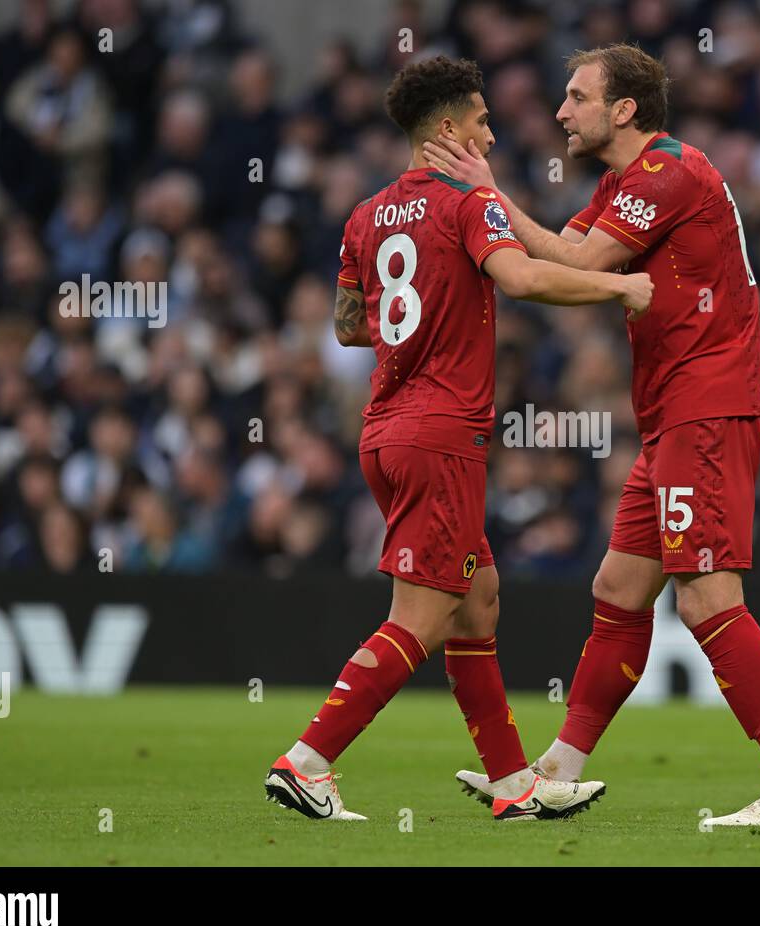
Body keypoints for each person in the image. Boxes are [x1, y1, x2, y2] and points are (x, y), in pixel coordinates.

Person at [426, 44, 760, 826]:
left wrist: (486, 194)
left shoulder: (667, 174)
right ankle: (558, 769)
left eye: (576, 97)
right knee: (617, 590)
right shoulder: (624, 184)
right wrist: (487, 212)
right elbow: (556, 263)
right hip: (673, 414)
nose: (559, 112)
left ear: (624, 110)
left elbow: (579, 260)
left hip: (707, 408)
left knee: (708, 597)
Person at [264, 56, 653, 822]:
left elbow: (349, 327)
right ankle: (309, 760)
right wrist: (619, 286)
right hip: (443, 433)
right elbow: (524, 280)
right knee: (423, 615)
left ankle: (512, 786)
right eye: (481, 119)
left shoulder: (365, 215)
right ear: (447, 129)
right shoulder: (469, 201)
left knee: (477, 602)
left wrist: (412, 321)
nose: (492, 130)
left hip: (385, 430)